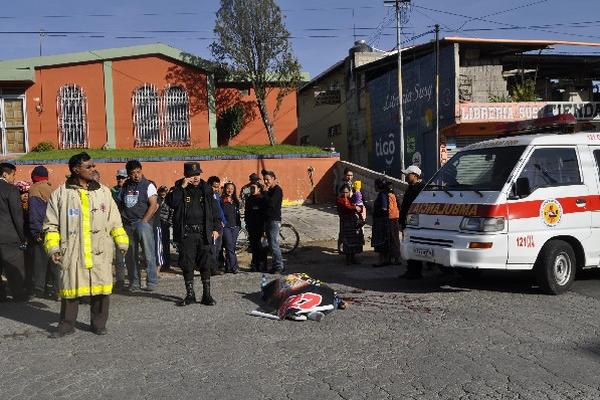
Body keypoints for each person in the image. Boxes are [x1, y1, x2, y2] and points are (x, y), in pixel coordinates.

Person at [43, 152, 129, 337]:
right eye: (88, 167)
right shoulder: (60, 194)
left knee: (100, 288)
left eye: (93, 166)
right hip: (73, 251)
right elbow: (51, 225)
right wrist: (53, 248)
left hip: (100, 250)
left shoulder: (104, 192)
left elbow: (114, 221)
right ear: (76, 169)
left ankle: (99, 324)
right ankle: (66, 325)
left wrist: (121, 241)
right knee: (71, 289)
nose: (93, 169)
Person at [167, 162, 221, 306]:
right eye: (192, 175)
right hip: (187, 234)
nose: (195, 178)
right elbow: (171, 203)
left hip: (204, 233)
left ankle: (207, 295)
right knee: (187, 263)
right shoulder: (179, 188)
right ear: (186, 176)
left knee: (205, 263)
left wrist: (216, 229)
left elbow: (216, 211)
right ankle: (190, 295)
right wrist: (181, 187)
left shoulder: (207, 189)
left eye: (197, 174)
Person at [118, 160, 159, 291]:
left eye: (138, 172)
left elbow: (154, 205)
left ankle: (151, 281)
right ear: (128, 174)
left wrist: (144, 221)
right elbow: (120, 203)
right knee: (130, 255)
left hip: (142, 223)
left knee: (148, 254)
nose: (136, 175)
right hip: (127, 225)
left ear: (141, 170)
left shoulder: (148, 185)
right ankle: (134, 282)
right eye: (132, 173)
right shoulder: (125, 186)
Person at [28, 166, 58, 299]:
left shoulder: (35, 189)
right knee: (54, 260)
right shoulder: (52, 189)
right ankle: (55, 288)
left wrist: (35, 231)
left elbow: (35, 213)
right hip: (55, 229)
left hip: (42, 229)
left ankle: (39, 288)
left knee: (40, 260)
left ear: (34, 177)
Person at [0, 163, 28, 302]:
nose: (14, 177)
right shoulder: (11, 189)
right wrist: (22, 236)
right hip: (9, 235)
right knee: (14, 267)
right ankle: (19, 294)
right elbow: (17, 215)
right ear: (5, 174)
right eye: (13, 174)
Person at [399, 165, 426, 279]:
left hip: (416, 223)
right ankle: (411, 269)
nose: (405, 176)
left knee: (415, 246)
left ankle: (416, 271)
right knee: (409, 246)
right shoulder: (410, 188)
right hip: (408, 223)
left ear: (415, 175)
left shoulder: (421, 189)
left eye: (407, 175)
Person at [262, 169, 284, 274]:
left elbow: (271, 203)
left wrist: (265, 193)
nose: (266, 181)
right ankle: (275, 266)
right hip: (267, 219)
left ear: (274, 179)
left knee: (274, 244)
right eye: (264, 179)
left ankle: (279, 266)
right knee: (270, 245)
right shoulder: (269, 190)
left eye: (268, 179)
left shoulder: (277, 190)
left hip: (274, 220)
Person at [336, 184, 363, 265]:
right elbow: (347, 207)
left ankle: (353, 258)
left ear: (349, 192)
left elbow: (358, 207)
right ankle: (348, 259)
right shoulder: (339, 200)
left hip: (353, 222)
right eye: (343, 192)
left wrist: (358, 208)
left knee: (354, 239)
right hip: (346, 222)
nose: (345, 194)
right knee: (347, 240)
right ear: (340, 192)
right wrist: (355, 208)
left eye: (346, 192)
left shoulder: (351, 199)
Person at [244, 181, 266, 272]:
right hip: (252, 226)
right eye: (251, 188)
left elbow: (265, 214)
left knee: (261, 247)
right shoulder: (249, 199)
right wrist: (247, 224)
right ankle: (254, 265)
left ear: (259, 189)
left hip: (261, 226)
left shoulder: (262, 199)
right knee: (253, 246)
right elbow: (247, 212)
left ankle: (262, 265)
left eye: (254, 188)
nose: (252, 190)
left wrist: (265, 229)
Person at [221, 182, 241, 274]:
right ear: (225, 189)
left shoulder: (235, 200)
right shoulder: (222, 200)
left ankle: (228, 266)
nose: (230, 190)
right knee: (229, 246)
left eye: (232, 189)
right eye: (228, 188)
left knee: (232, 247)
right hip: (226, 227)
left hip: (235, 227)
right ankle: (234, 267)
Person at [207, 176, 226, 275]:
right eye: (214, 187)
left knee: (218, 248)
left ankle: (216, 266)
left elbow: (219, 210)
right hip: (212, 225)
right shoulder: (207, 197)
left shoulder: (217, 196)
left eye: (218, 187)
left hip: (219, 224)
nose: (216, 189)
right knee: (213, 248)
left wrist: (223, 220)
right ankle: (212, 269)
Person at [371, 178, 391, 267]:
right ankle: (386, 259)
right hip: (384, 220)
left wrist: (376, 212)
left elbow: (384, 208)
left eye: (375, 185)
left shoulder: (382, 195)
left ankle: (381, 260)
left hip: (381, 221)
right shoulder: (385, 194)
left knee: (380, 240)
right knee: (384, 239)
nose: (374, 187)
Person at [156, 186, 174, 272]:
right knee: (158, 245)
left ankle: (166, 264)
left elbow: (171, 213)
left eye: (164, 192)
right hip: (157, 224)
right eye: (161, 191)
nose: (163, 193)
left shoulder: (169, 201)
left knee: (165, 246)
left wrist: (168, 223)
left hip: (165, 225)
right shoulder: (157, 200)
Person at [386, 182, 401, 265]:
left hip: (390, 218)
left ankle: (392, 258)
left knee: (391, 238)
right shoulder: (394, 195)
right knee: (395, 238)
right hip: (395, 218)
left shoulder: (388, 196)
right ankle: (396, 257)